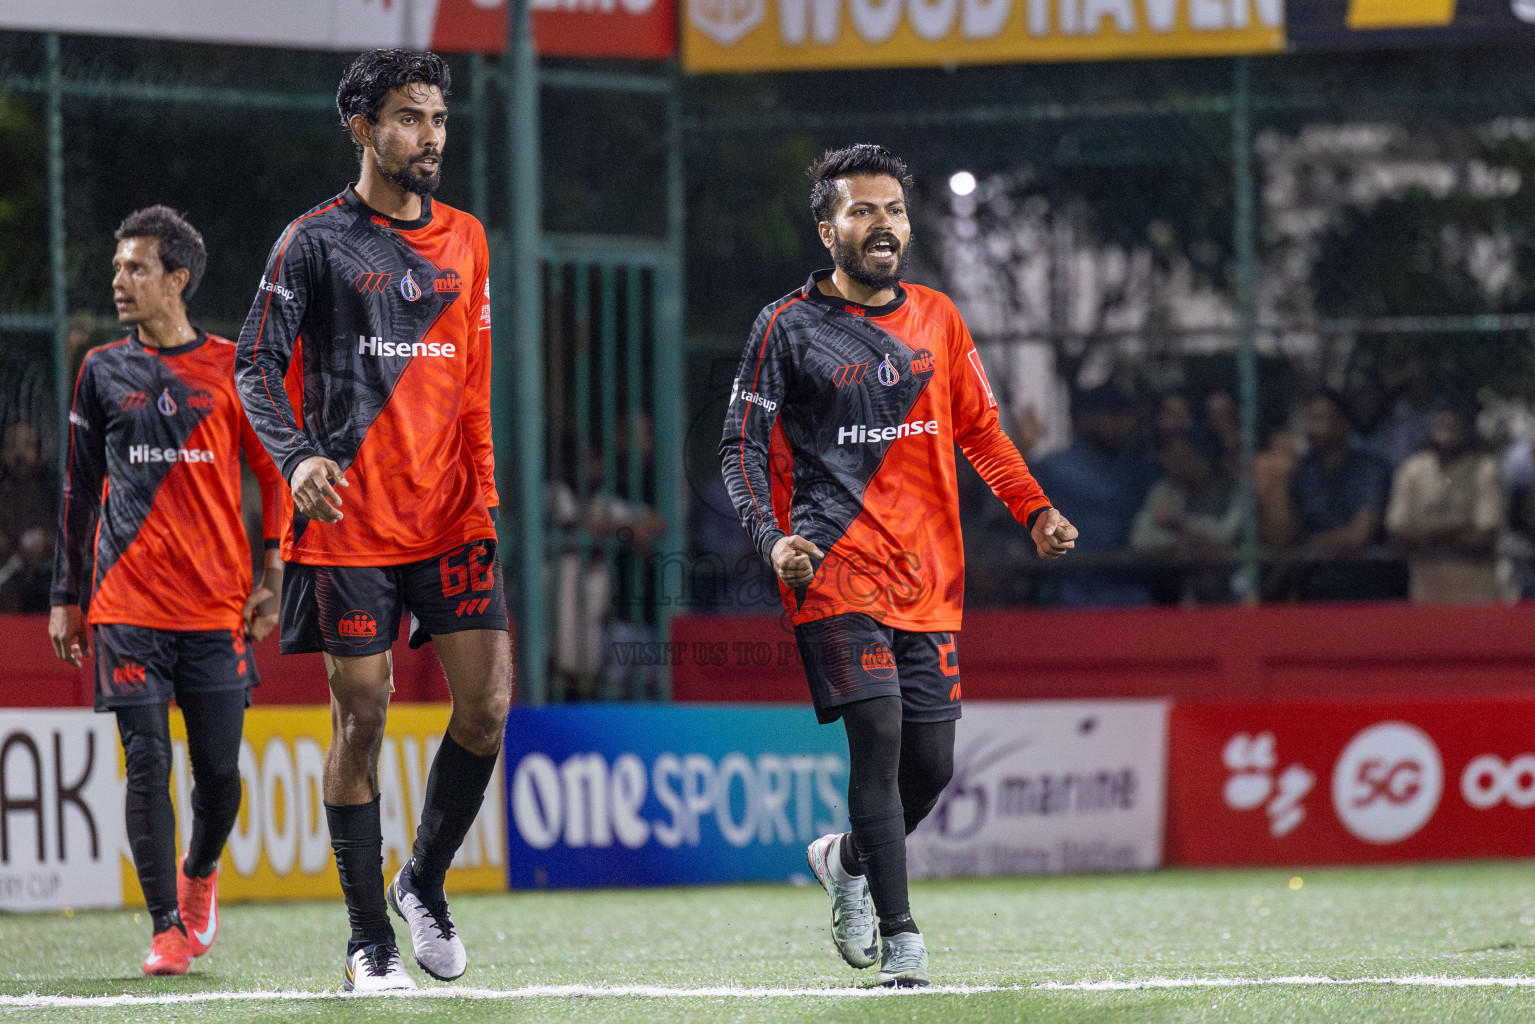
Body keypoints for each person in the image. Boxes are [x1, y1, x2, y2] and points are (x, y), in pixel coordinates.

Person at [720, 144, 1077, 987]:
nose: (884, 225)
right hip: (832, 571)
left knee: (931, 768)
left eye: (894, 211)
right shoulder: (785, 326)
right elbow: (740, 448)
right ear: (827, 229)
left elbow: (980, 433)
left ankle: (845, 859)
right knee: (876, 738)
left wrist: (1036, 509)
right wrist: (771, 539)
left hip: (929, 580)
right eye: (862, 211)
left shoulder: (938, 318)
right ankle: (903, 940)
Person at [235, 49, 511, 993]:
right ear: (360, 125)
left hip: (450, 515)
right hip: (348, 520)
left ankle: (421, 883)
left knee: (487, 707)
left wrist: (483, 490)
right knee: (364, 715)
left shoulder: (469, 239)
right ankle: (368, 944)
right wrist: (299, 455)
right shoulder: (311, 241)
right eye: (405, 117)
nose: (427, 135)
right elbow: (252, 366)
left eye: (436, 117)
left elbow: (472, 383)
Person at [47, 206, 283, 977]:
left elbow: (272, 471)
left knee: (219, 774)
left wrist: (275, 566)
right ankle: (166, 929)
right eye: (118, 268)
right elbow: (79, 493)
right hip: (125, 606)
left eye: (136, 267)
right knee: (146, 760)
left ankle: (200, 873)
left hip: (216, 608)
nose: (120, 280)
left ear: (176, 279)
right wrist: (66, 594)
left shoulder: (231, 369)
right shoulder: (100, 370)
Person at [1257, 391, 1401, 601]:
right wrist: (1279, 478)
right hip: (1314, 591)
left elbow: (1358, 535)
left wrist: (1308, 546)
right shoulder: (1302, 472)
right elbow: (1281, 537)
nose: (1313, 428)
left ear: (1344, 425)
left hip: (1368, 588)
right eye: (1309, 419)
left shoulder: (1370, 469)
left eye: (1321, 418)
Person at [1030, 383, 1160, 605]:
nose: (1122, 423)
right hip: (1068, 593)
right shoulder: (1051, 468)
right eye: (1111, 415)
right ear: (1083, 419)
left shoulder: (1143, 469)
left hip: (1134, 593)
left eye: (1124, 415)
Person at [1386, 402, 1503, 604]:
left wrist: (1426, 533)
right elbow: (1397, 529)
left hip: (1475, 589)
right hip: (1425, 589)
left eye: (1453, 425)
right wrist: (1458, 527)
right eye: (1441, 424)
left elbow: (1484, 531)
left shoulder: (1485, 471)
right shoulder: (1412, 471)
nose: (1446, 431)